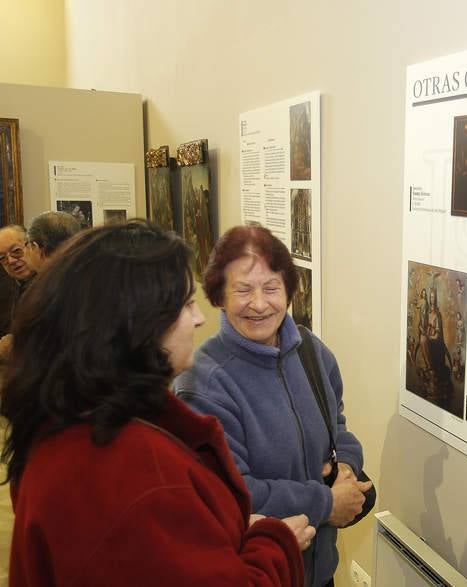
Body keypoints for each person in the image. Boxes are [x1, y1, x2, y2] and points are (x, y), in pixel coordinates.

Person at [0, 220, 311, 586]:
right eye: (186, 305)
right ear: (139, 324)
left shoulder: (69, 419)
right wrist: (274, 542)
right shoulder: (132, 473)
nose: (198, 319)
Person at [175, 225, 370, 587]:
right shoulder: (202, 384)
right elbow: (233, 494)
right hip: (259, 577)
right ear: (219, 296)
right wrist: (326, 503)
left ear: (288, 292)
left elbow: (337, 427)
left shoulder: (312, 352)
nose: (260, 304)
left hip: (320, 573)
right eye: (243, 290)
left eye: (271, 288)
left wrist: (346, 465)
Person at [0, 225, 36, 359]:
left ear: (32, 246)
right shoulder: (11, 286)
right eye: (2, 258)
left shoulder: (50, 285)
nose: (10, 261)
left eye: (16, 251)